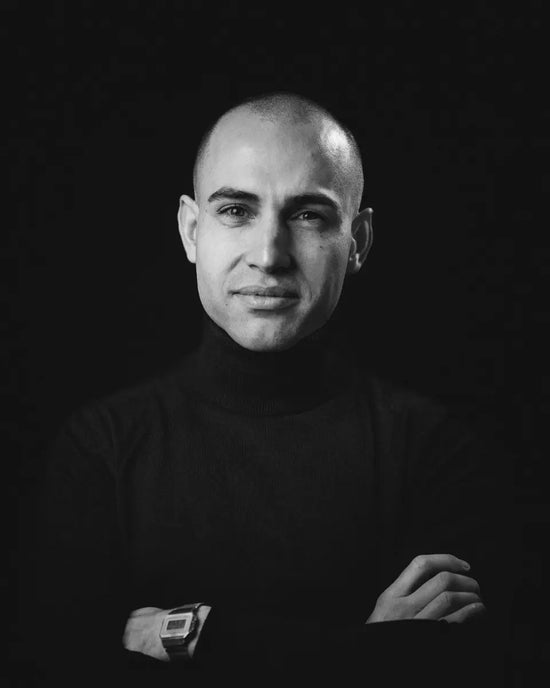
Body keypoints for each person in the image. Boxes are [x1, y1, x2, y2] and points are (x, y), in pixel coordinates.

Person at [32, 92, 511, 686]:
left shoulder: (431, 447)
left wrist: (197, 634)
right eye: (236, 210)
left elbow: (457, 670)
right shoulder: (101, 446)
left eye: (308, 215)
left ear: (358, 241)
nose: (269, 256)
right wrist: (367, 650)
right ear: (191, 231)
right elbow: (61, 666)